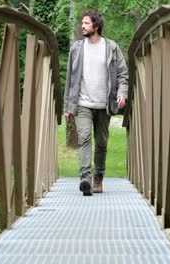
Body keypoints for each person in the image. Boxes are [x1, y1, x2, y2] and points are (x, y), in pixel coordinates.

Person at [63, 10, 128, 196]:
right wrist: (68, 105)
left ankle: (98, 177)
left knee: (101, 143)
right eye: (82, 23)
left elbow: (123, 74)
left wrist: (122, 93)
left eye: (86, 23)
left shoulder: (112, 48)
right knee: (83, 138)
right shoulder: (76, 48)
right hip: (82, 103)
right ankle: (85, 177)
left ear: (96, 26)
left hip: (104, 104)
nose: (82, 26)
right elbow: (70, 79)